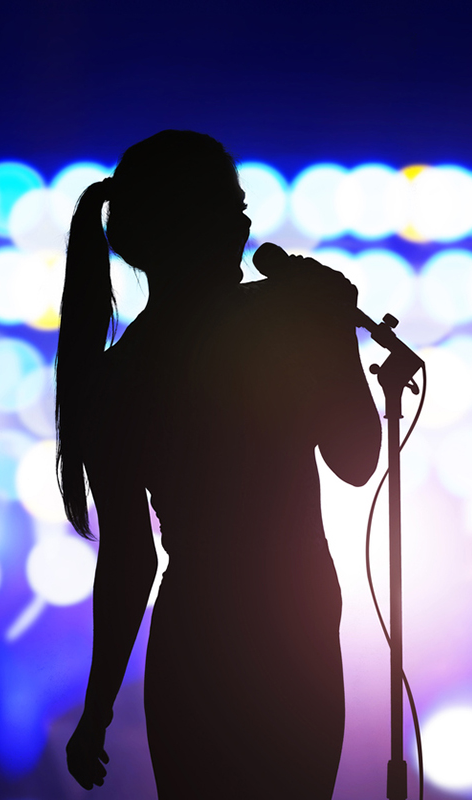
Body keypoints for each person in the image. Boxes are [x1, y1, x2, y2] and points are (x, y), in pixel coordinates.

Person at [56, 130, 381, 799]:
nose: (246, 221)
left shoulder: (117, 377)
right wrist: (330, 331)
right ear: (191, 224)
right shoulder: (281, 328)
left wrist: (99, 710)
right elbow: (358, 459)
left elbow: (128, 561)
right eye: (231, 205)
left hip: (198, 642)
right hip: (295, 638)